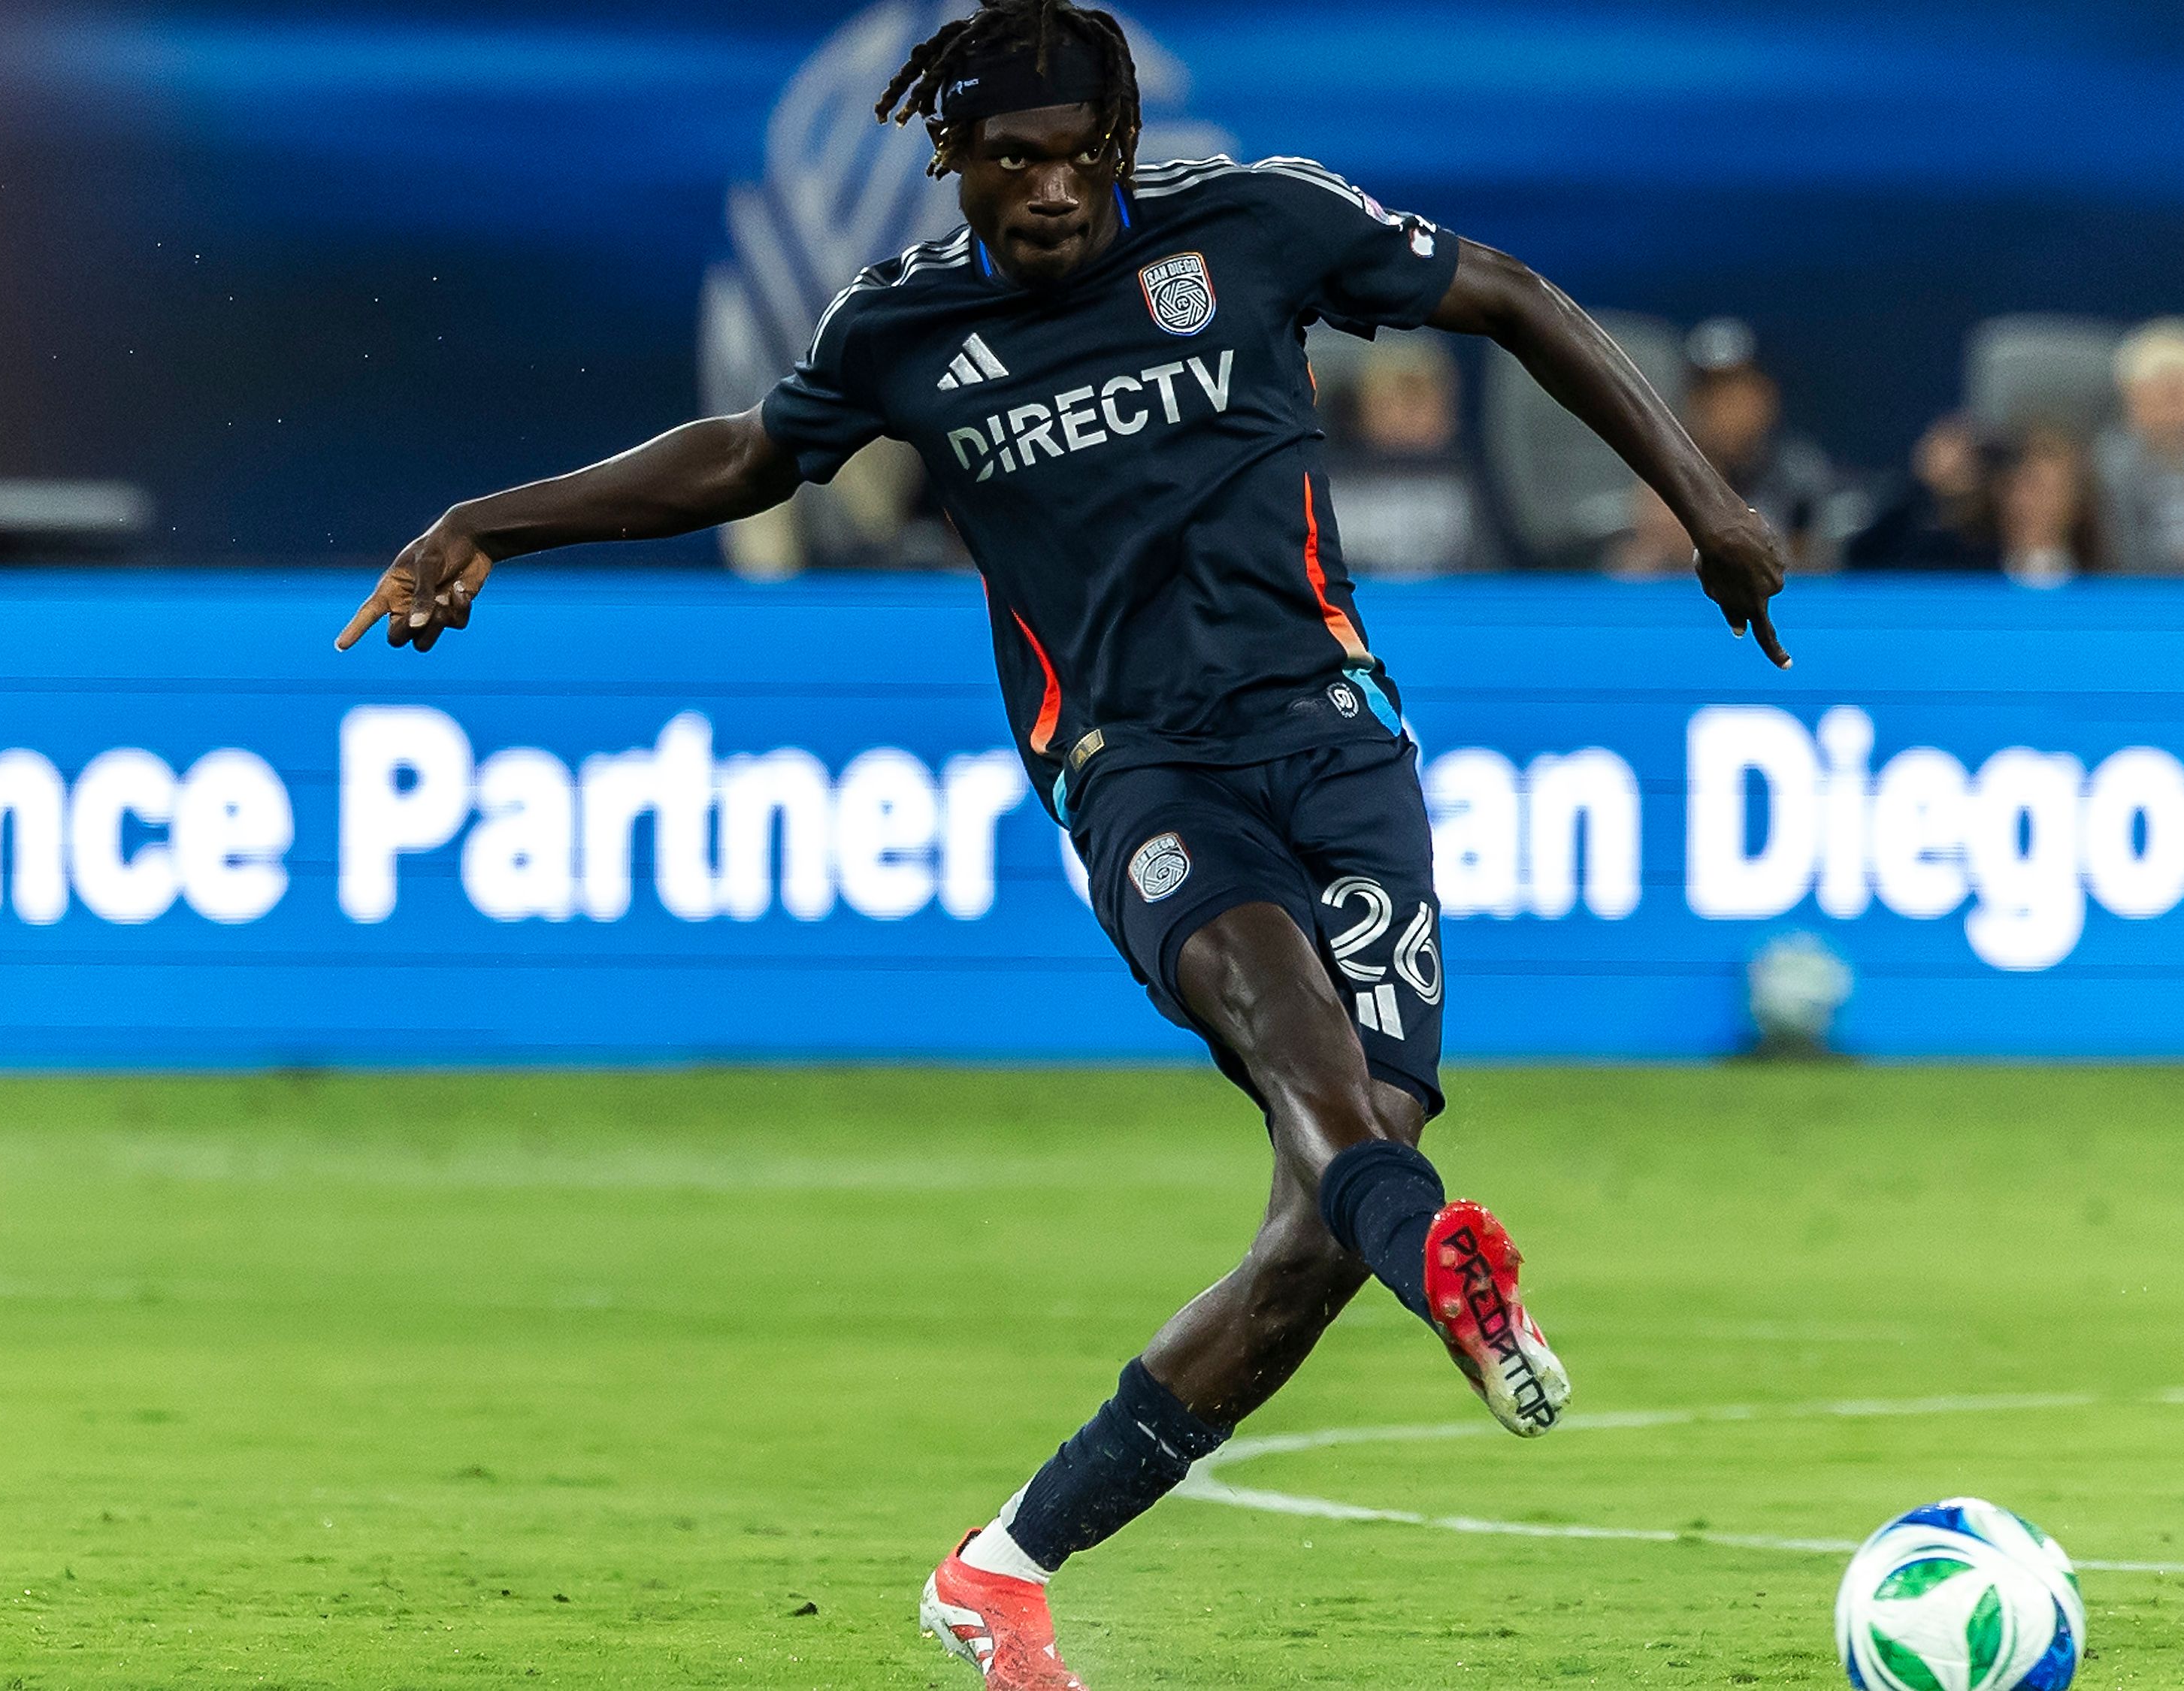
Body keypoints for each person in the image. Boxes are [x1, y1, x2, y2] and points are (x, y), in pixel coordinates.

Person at [328, 5, 1789, 1685]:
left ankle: (1001, 1566)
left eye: (1069, 157)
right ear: (950, 165)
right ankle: (1461, 1281)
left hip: (1338, 747)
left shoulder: (1253, 224)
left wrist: (1713, 510)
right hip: (1142, 780)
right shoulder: (903, 329)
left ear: (1115, 146)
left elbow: (1509, 297)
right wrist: (479, 524)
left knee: (1321, 1224)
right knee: (1315, 1086)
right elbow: (744, 456)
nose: (1040, 193)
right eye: (1002, 162)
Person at [1321, 333, 1490, 578]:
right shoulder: (1327, 482)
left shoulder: (1468, 484)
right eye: (1392, 402)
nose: (1407, 417)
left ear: (1449, 414)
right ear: (1362, 411)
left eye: (1419, 401)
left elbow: (1491, 577)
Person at [1680, 316, 1839, 568]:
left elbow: (1819, 568)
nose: (1722, 409)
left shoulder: (1800, 471)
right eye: (1710, 394)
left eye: (1735, 391)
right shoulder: (1671, 471)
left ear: (1765, 395)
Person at [2092, 318, 2184, 576]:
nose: (2172, 399)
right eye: (2159, 386)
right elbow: (2115, 547)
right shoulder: (2109, 461)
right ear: (2131, 397)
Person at [1844, 412, 2000, 571]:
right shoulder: (1901, 511)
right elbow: (1857, 556)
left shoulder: (1990, 530)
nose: (1930, 445)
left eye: (1948, 441)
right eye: (1932, 435)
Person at [1997, 427, 2095, 588]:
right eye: (2024, 487)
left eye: (2046, 491)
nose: (2029, 503)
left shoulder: (2107, 584)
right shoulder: (1964, 577)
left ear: (2075, 505)